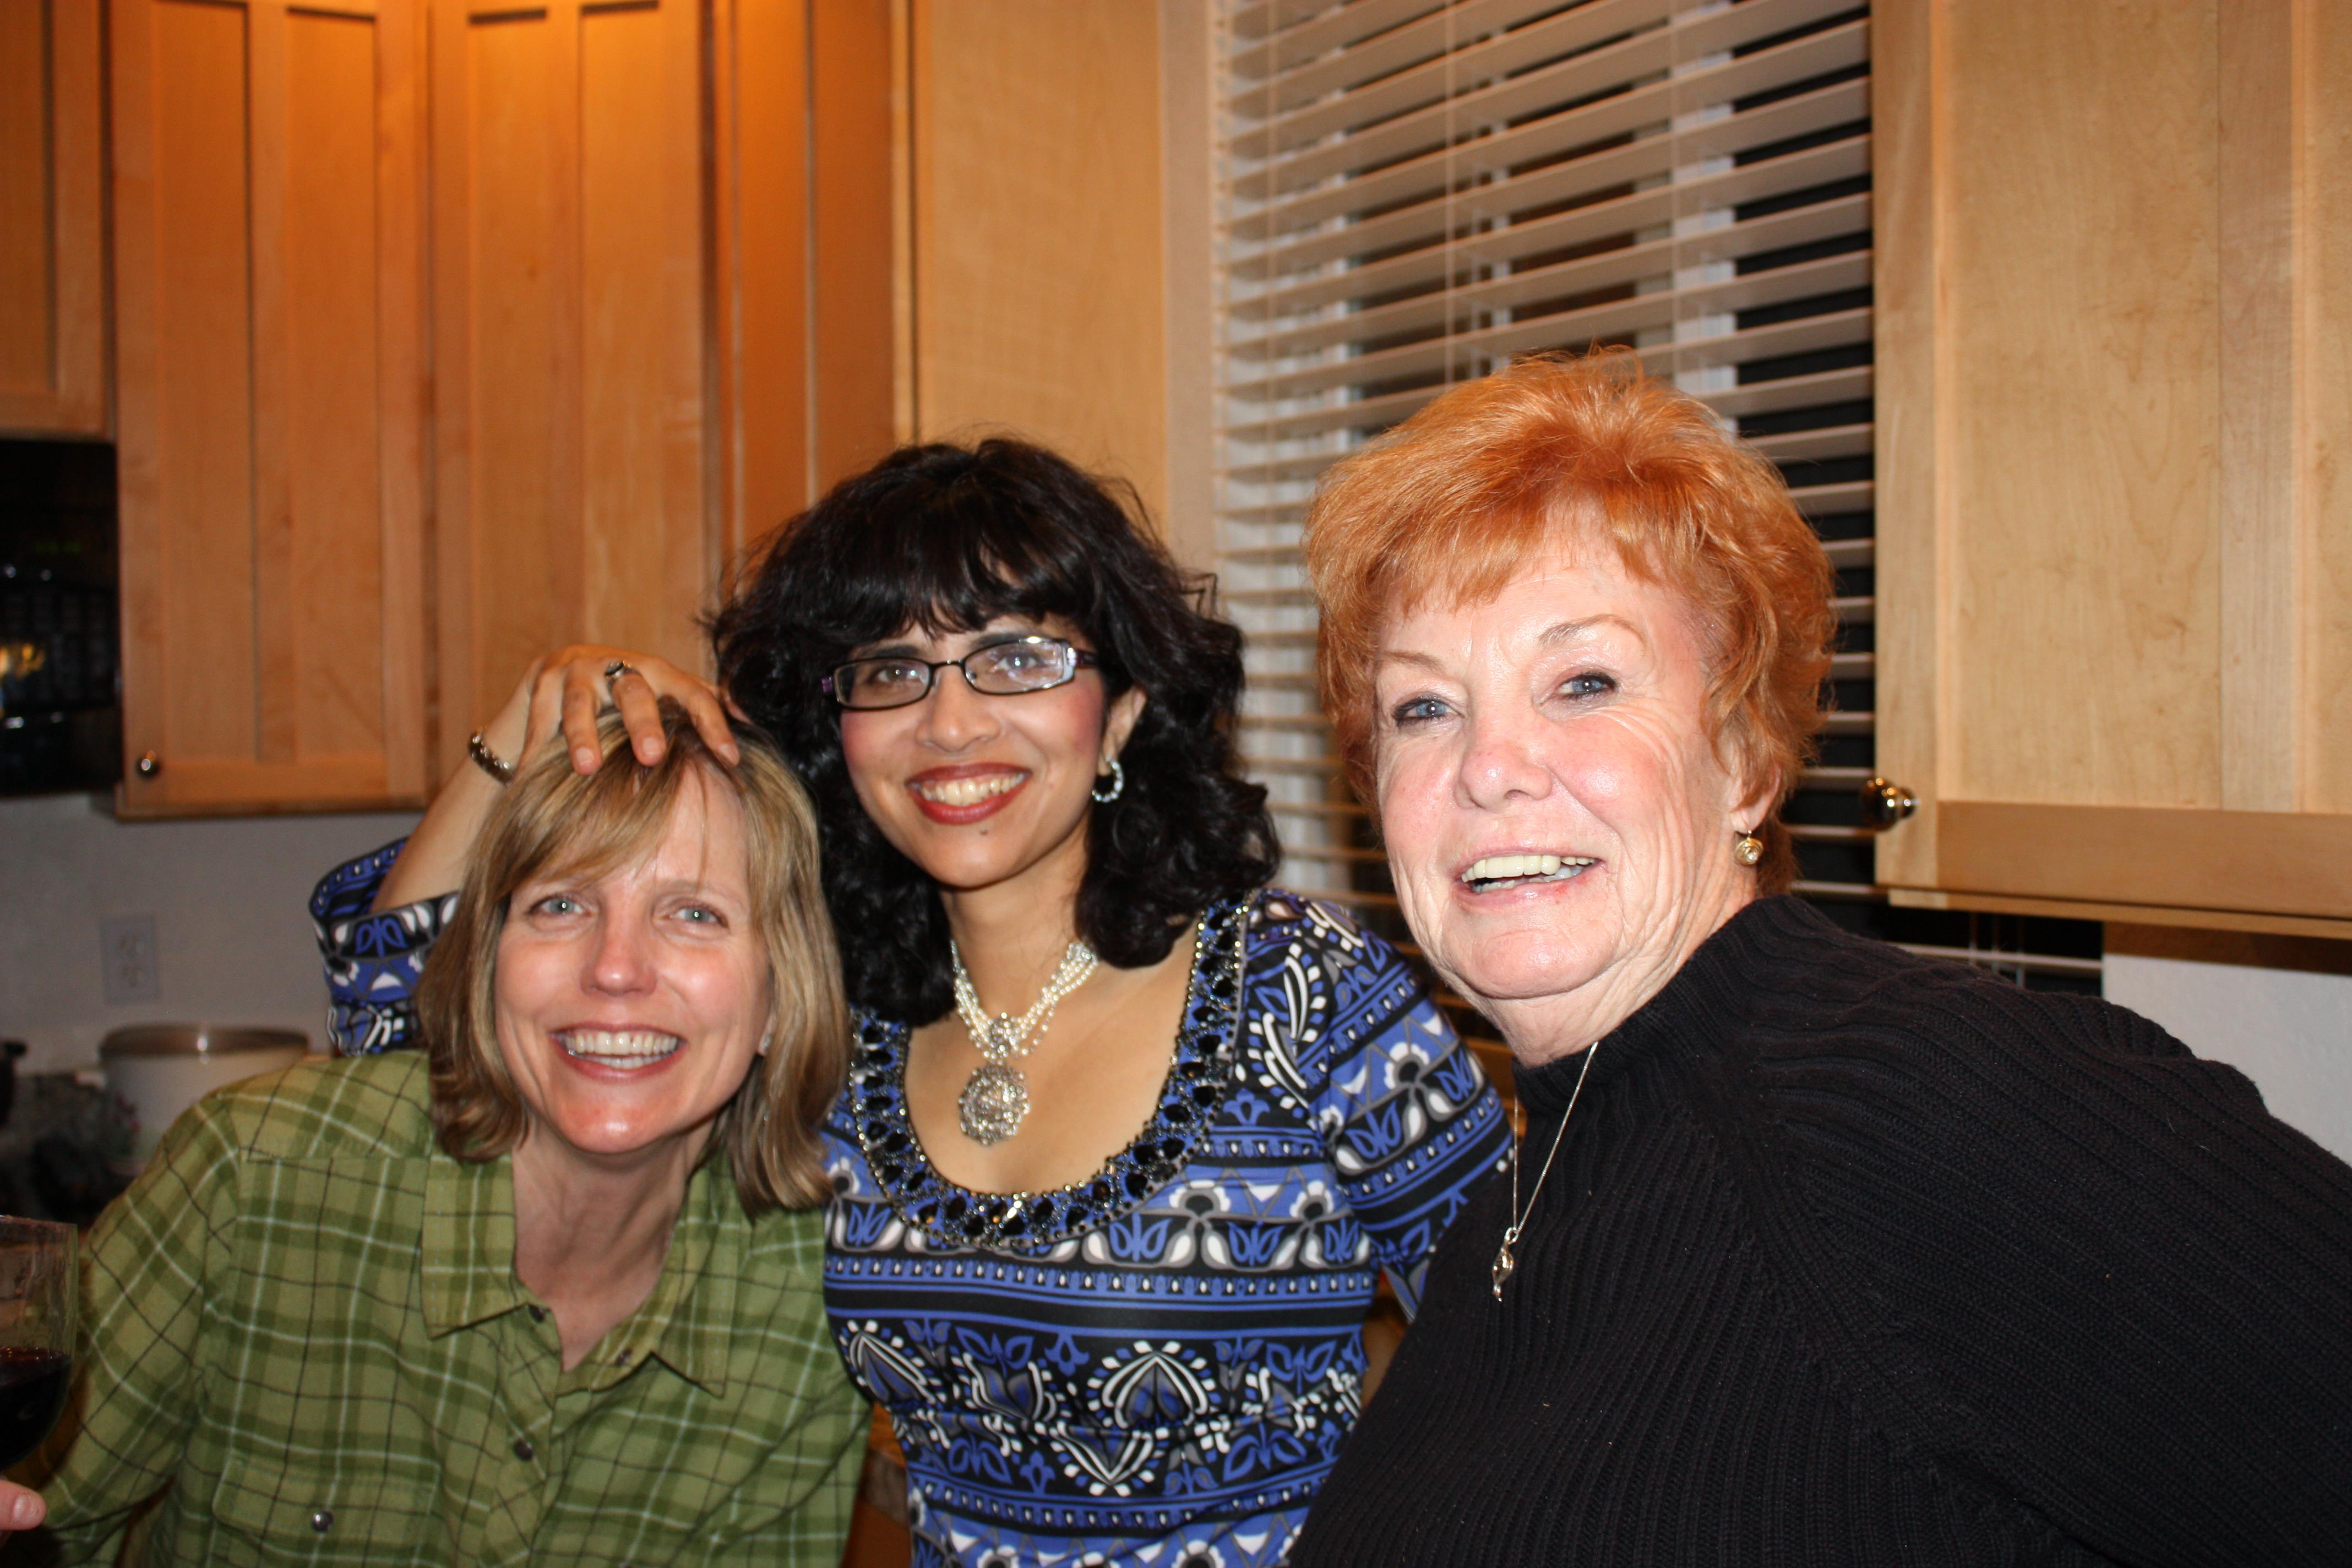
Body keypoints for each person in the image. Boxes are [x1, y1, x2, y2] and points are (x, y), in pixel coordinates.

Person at [304, 439, 1513, 1566]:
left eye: (1019, 656)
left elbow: (1538, 1341)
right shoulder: (827, 1022)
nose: (949, 721)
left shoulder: (1299, 988)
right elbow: (399, 1020)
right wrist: (529, 718)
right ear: (840, 732)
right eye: (892, 668)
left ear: (1125, 709)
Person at [1278, 350, 2352, 1565]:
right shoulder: (1528, 1191)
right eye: (1426, 707)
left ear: (1744, 761)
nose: (1490, 764)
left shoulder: (1919, 1101)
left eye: (1583, 681)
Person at [3, 705, 867, 1564]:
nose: (614, 968)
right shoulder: (254, 1183)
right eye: (561, 903)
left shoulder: (811, 1315)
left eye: (695, 915)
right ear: (485, 964)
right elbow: (33, 1523)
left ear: (779, 998)